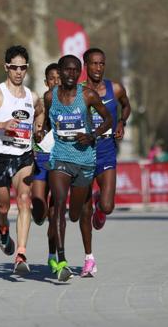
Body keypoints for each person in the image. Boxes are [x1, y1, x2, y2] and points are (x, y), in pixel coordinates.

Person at [41, 54, 112, 281]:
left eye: (75, 70)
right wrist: (40, 134)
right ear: (59, 72)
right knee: (59, 206)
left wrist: (92, 135)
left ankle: (81, 251)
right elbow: (49, 125)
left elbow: (108, 119)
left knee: (74, 214)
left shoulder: (88, 95)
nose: (71, 74)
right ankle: (61, 261)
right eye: (67, 70)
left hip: (85, 160)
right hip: (60, 157)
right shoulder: (50, 97)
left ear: (79, 73)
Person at [0, 45, 43, 275]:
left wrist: (38, 126)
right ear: (6, 67)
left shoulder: (32, 96)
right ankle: (3, 227)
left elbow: (40, 111)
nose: (18, 72)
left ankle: (21, 253)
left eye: (23, 68)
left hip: (24, 156)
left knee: (24, 200)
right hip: (0, 157)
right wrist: (0, 125)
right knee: (4, 206)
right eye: (14, 67)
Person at [79, 47, 131, 277]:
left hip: (107, 151)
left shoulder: (115, 88)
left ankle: (101, 205)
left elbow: (126, 105)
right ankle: (89, 258)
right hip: (83, 153)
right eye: (94, 64)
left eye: (102, 64)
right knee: (84, 209)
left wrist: (122, 122)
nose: (98, 68)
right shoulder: (77, 92)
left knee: (107, 207)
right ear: (86, 66)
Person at [31, 63, 60, 269]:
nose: (56, 81)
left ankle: (52, 255)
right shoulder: (41, 103)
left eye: (59, 77)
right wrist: (38, 132)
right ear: (46, 82)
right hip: (42, 156)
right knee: (39, 203)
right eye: (51, 78)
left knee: (55, 214)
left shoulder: (70, 101)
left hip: (61, 158)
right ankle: (38, 215)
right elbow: (36, 127)